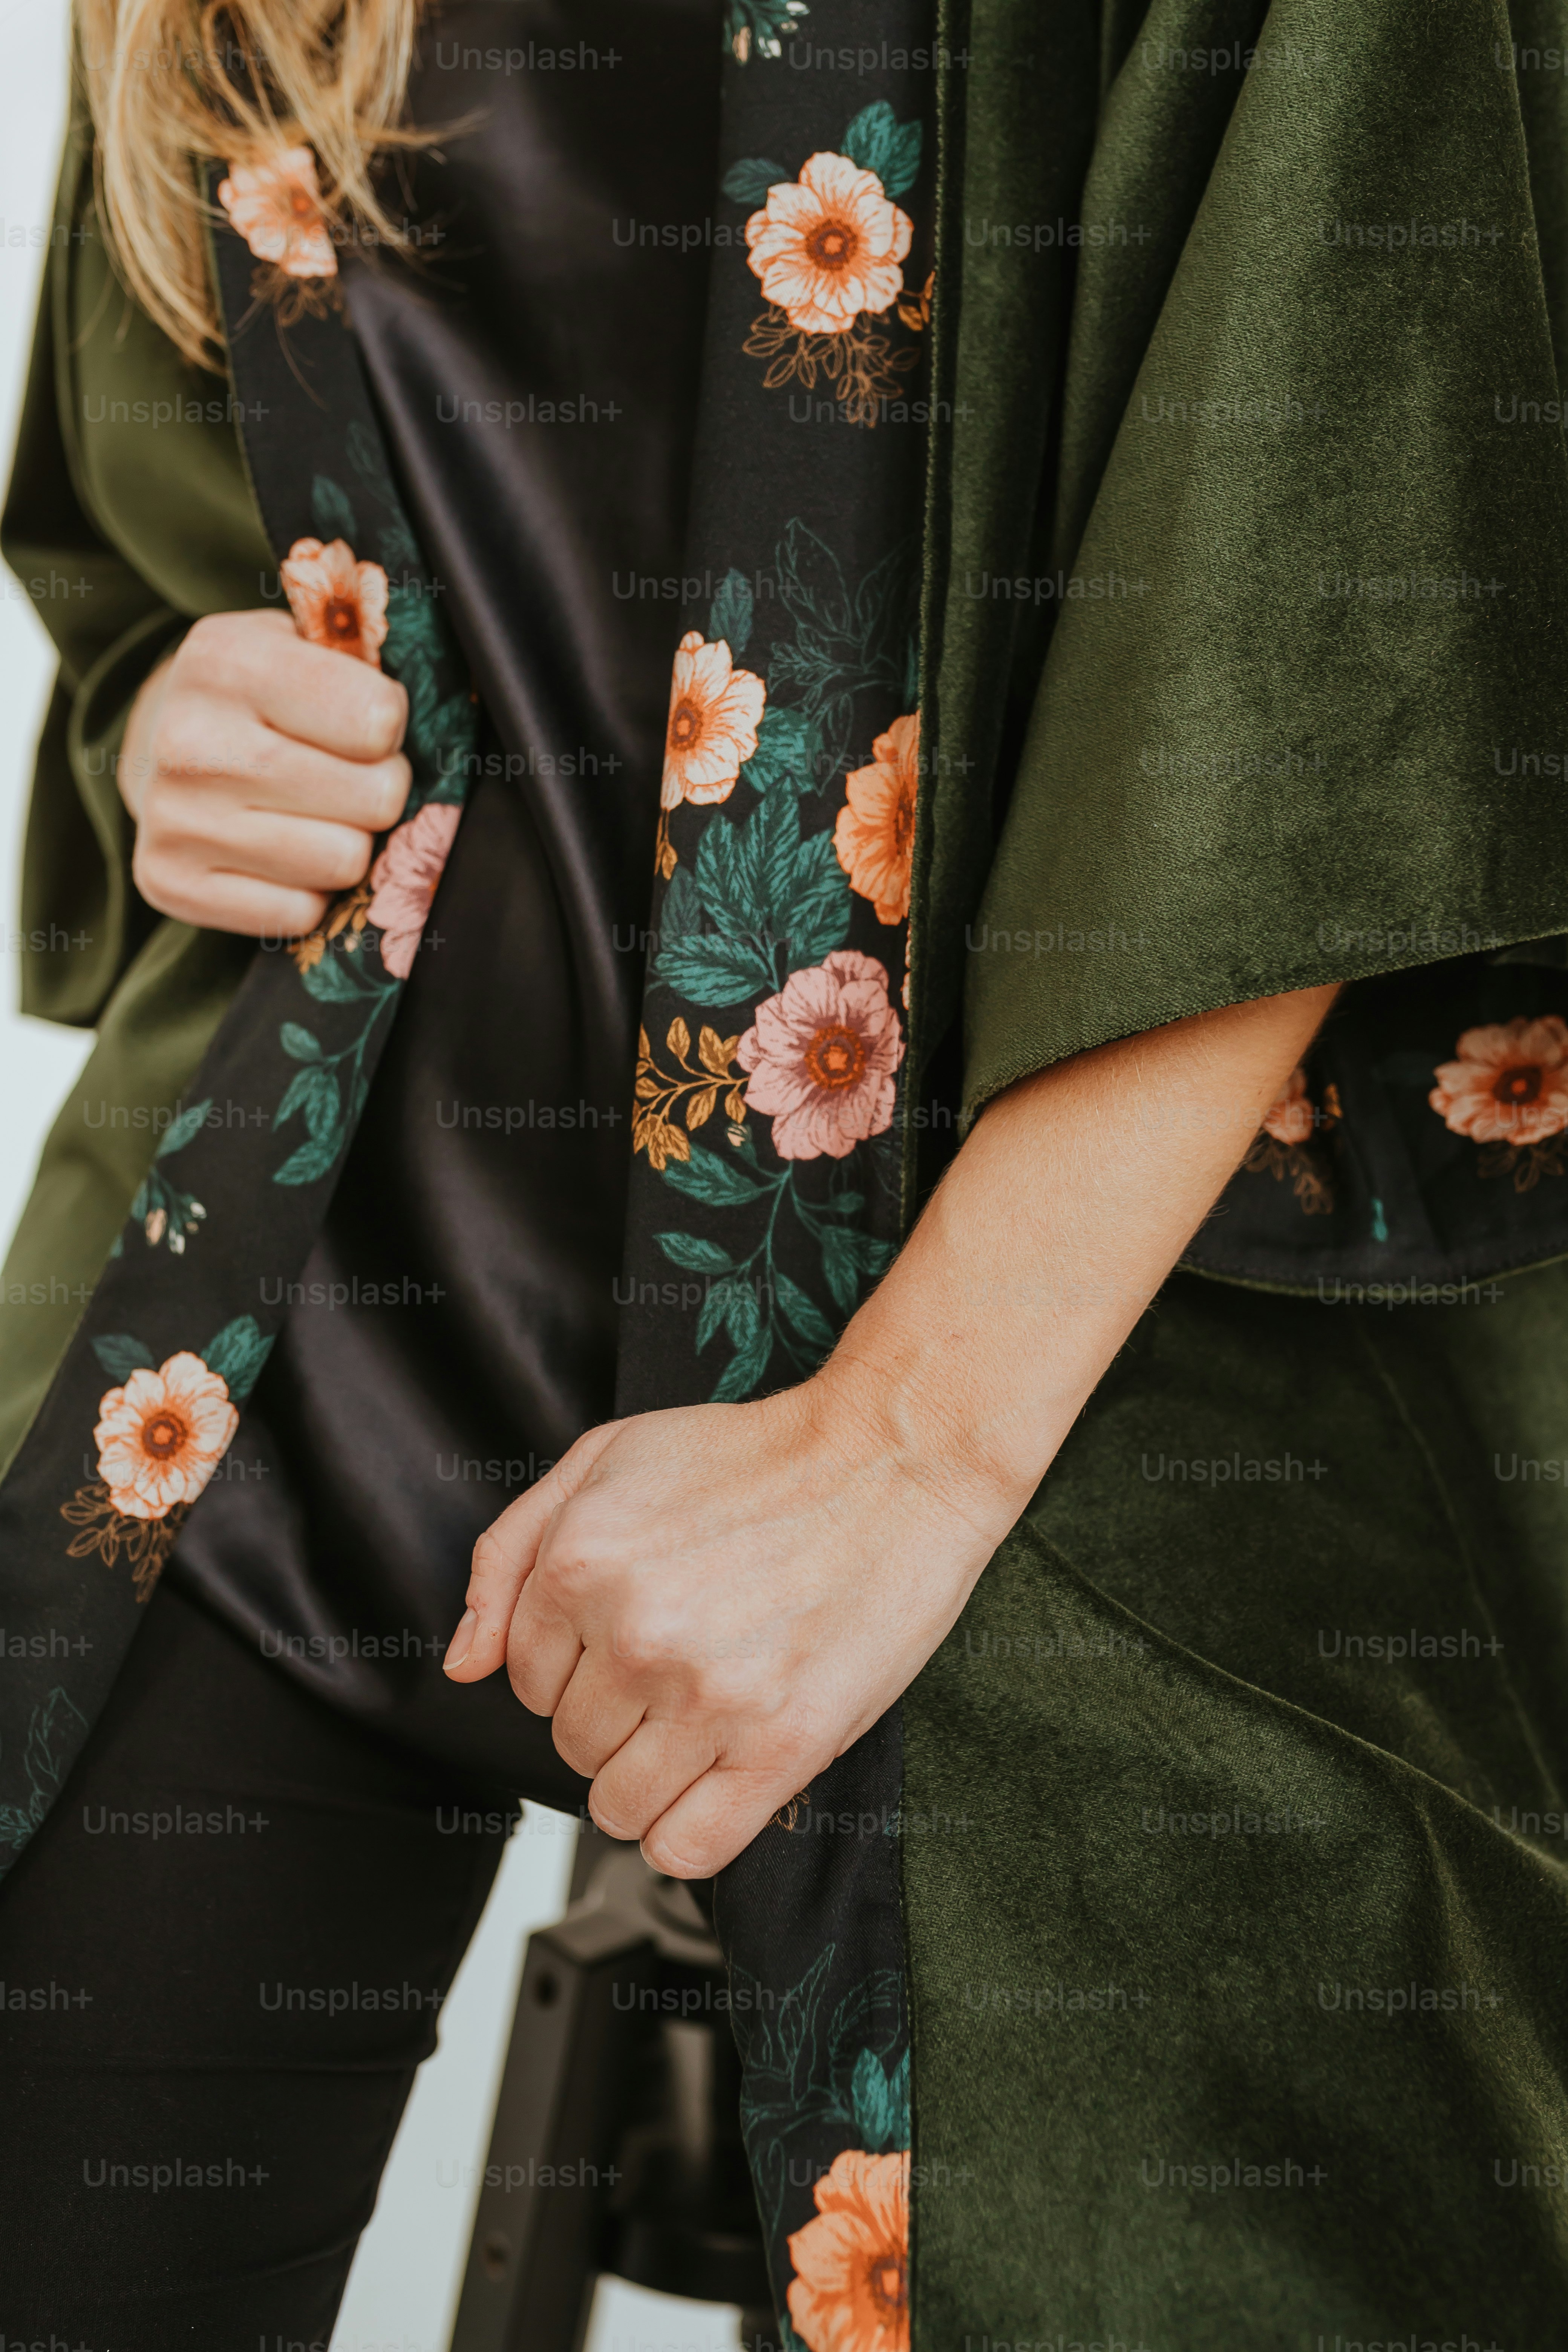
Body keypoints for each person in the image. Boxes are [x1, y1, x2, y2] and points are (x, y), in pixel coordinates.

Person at [6, 0, 1568, 2344]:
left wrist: (904, 1450)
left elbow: (1383, 594)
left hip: (1067, 1375)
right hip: (278, 1329)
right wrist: (175, 719)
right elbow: (155, 517)